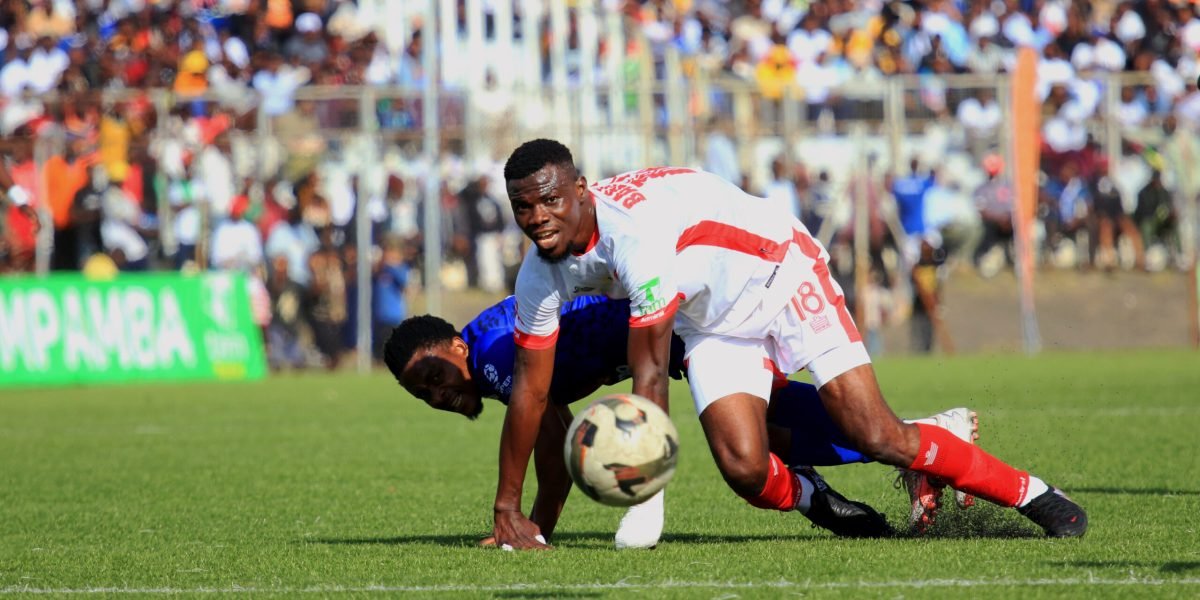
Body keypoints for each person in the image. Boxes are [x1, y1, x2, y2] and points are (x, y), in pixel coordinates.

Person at [490, 139, 1087, 550]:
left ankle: (1032, 494)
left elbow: (649, 373)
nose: (539, 216)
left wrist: (648, 497)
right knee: (746, 468)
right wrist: (507, 512)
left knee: (874, 432)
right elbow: (531, 391)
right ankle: (817, 500)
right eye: (524, 206)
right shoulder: (539, 275)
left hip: (778, 270)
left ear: (582, 190)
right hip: (713, 319)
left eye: (551, 199)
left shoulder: (632, 237)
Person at [385, 294, 982, 546]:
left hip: (674, 321)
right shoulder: (491, 353)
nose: (438, 395)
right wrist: (535, 528)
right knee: (766, 428)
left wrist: (523, 526)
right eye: (424, 395)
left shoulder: (489, 359)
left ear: (455, 347)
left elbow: (548, 449)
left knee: (755, 438)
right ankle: (922, 441)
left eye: (435, 376)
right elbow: (555, 455)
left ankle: (925, 438)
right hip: (670, 326)